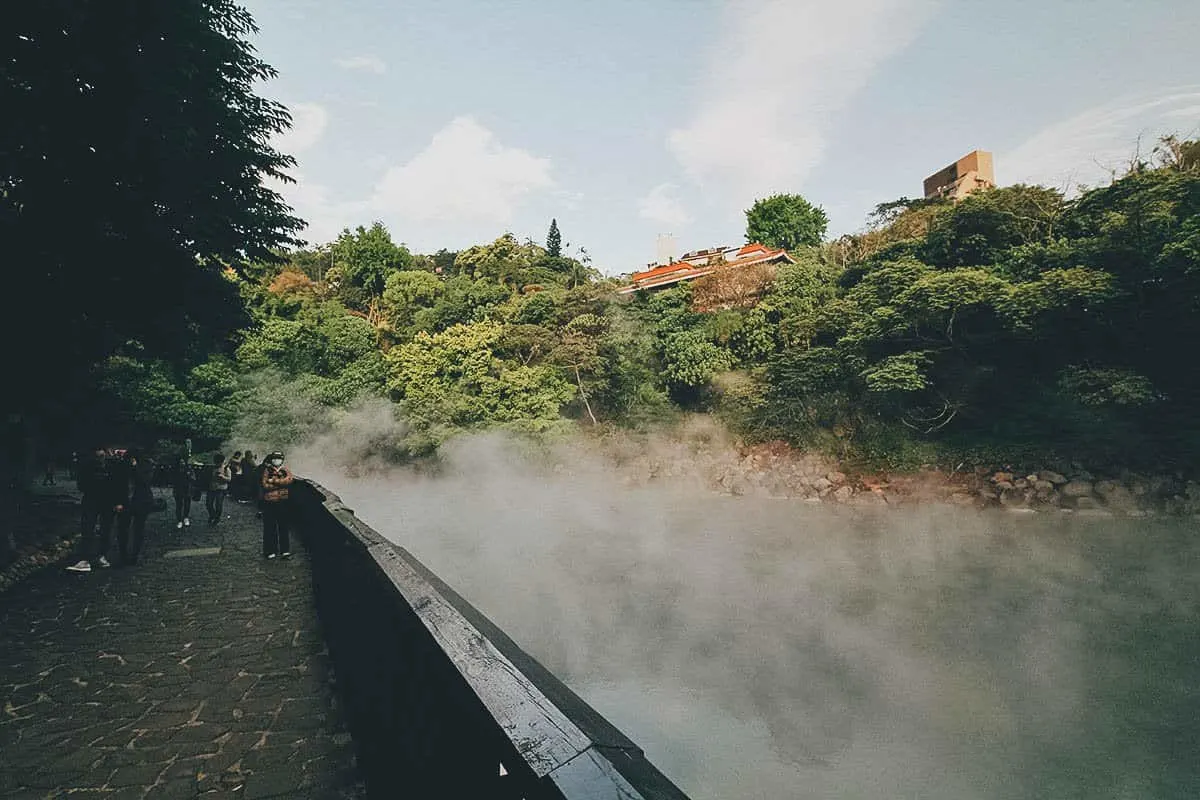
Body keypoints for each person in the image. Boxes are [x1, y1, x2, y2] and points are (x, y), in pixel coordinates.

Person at [67, 444, 122, 572]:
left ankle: (99, 555)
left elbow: (118, 484)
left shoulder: (111, 467)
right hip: (93, 500)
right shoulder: (89, 467)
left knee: (104, 529)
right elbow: (82, 484)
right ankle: (88, 557)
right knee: (89, 528)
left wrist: (117, 501)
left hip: (105, 501)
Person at [116, 449, 154, 565]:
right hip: (126, 501)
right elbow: (117, 483)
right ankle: (124, 555)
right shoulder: (122, 467)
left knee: (138, 530)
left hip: (141, 501)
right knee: (123, 530)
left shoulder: (146, 465)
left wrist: (135, 467)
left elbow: (144, 481)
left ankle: (134, 555)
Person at [260, 451, 294, 559]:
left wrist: (273, 481)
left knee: (283, 526)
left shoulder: (285, 470)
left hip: (283, 501)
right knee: (270, 527)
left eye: (278, 458)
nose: (276, 460)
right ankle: (270, 551)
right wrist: (279, 484)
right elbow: (265, 485)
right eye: (274, 458)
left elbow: (289, 480)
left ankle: (285, 550)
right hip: (269, 502)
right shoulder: (267, 470)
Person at [172, 444, 196, 529]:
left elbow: (193, 478)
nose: (182, 463)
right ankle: (179, 520)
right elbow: (173, 479)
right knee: (179, 505)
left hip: (187, 488)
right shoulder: (175, 470)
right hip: (178, 488)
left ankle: (186, 517)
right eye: (180, 462)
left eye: (183, 461)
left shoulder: (189, 469)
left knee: (187, 504)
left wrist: (189, 476)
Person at [205, 453, 231, 525]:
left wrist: (222, 477)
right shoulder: (212, 468)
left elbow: (229, 479)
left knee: (218, 505)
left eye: (219, 462)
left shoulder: (226, 468)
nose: (217, 464)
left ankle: (217, 518)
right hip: (212, 488)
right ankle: (212, 515)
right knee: (208, 504)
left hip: (221, 489)